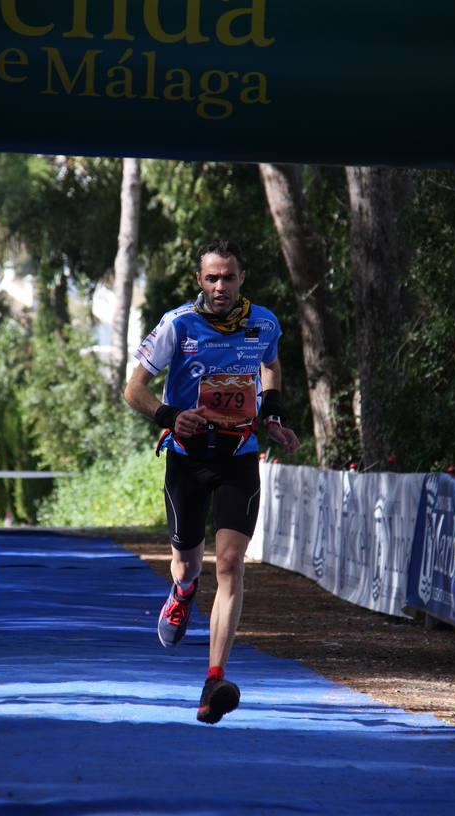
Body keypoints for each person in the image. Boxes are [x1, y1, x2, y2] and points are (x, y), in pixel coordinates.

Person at [124, 239, 300, 724]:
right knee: (186, 563)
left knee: (231, 564)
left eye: (229, 277)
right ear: (199, 281)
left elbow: (270, 364)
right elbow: (132, 389)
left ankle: (213, 679)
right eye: (212, 278)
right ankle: (181, 594)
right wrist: (169, 415)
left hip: (239, 455)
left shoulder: (263, 322)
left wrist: (273, 412)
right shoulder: (178, 324)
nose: (221, 286)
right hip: (187, 457)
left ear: (242, 279)